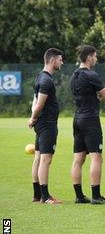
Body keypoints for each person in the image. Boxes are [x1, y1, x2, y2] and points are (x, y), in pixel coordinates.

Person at [70, 45, 105, 204]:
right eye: (95, 56)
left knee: (78, 159)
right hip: (90, 120)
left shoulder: (74, 75)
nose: (96, 58)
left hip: (77, 119)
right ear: (89, 57)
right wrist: (99, 98)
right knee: (97, 157)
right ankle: (96, 196)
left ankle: (79, 196)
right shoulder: (91, 74)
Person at [28, 48, 64, 204]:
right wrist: (33, 118)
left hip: (42, 124)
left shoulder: (40, 77)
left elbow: (34, 101)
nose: (62, 62)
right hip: (47, 124)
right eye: (60, 59)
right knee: (46, 159)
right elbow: (39, 104)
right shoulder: (46, 80)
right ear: (52, 60)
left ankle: (37, 195)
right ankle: (45, 196)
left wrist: (33, 117)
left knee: (37, 157)